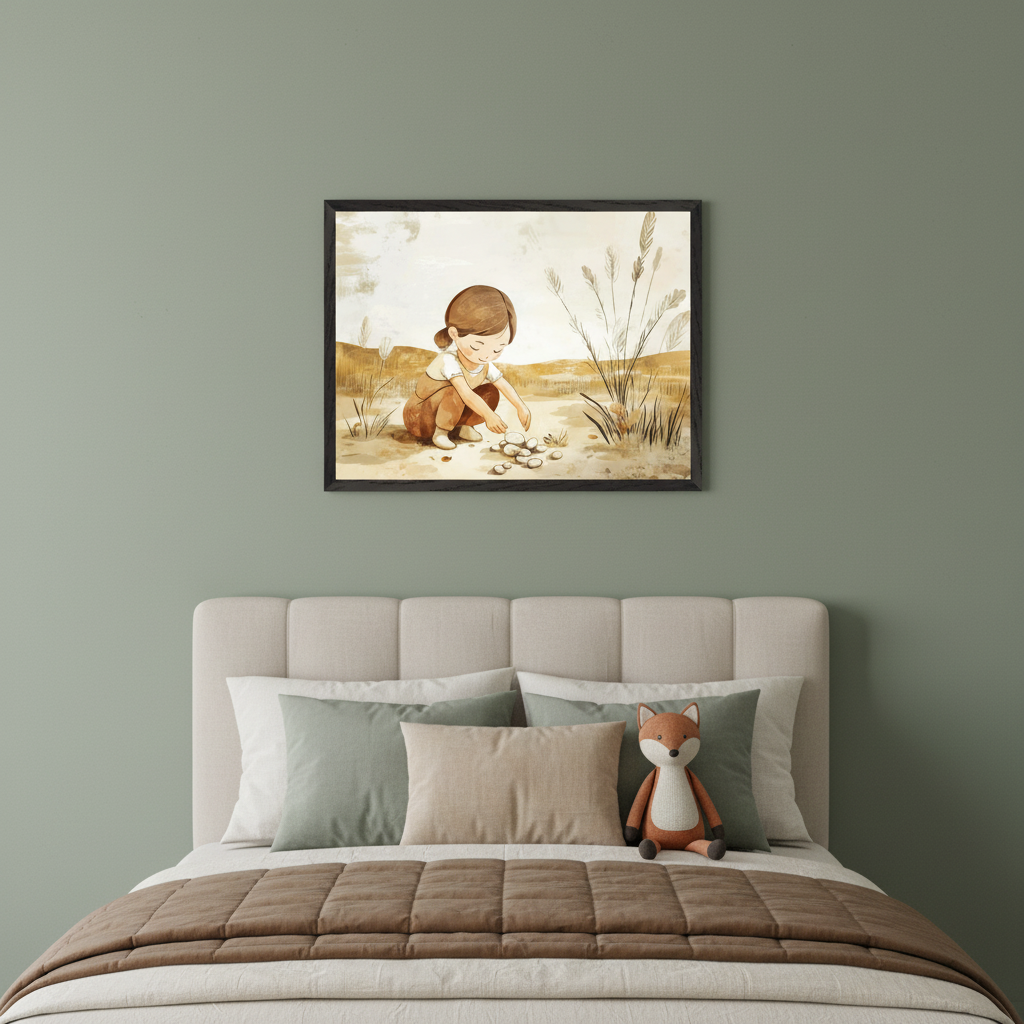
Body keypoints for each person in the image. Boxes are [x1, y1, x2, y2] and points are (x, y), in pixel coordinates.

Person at [403, 285, 531, 450]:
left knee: (490, 391)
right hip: (421, 419)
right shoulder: (448, 360)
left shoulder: (483, 364)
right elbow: (466, 394)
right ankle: (440, 433)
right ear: (454, 334)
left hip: (447, 414)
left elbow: (503, 384)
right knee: (457, 391)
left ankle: (461, 427)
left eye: (497, 349)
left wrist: (521, 407)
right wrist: (489, 415)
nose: (486, 355)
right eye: (477, 346)